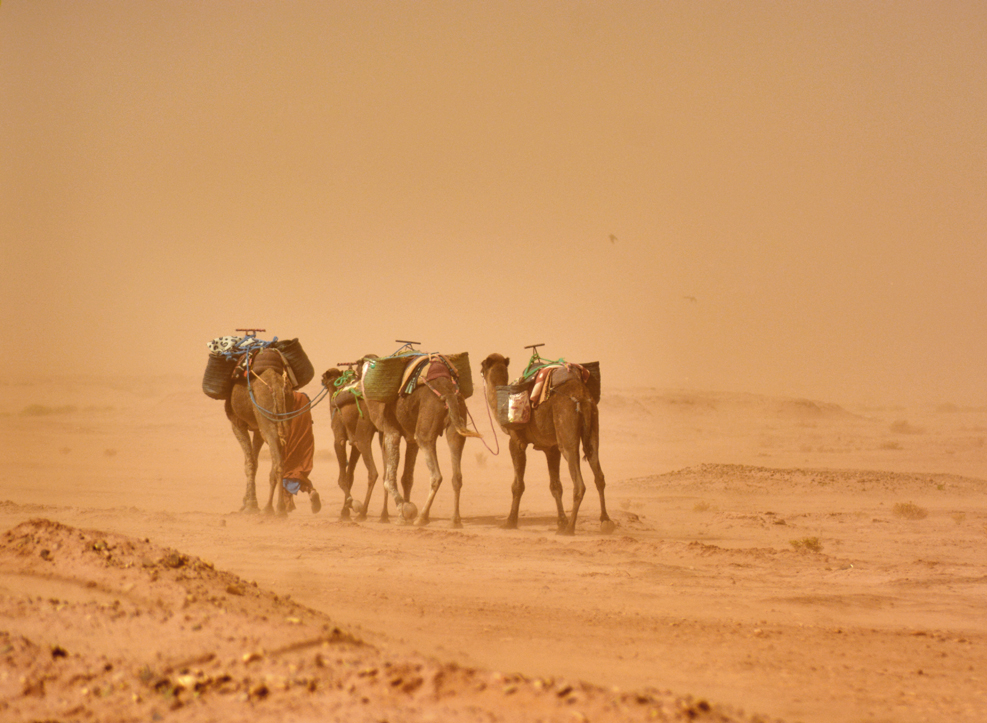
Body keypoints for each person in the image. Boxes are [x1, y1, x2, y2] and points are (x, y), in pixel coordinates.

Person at [281, 390, 321, 513]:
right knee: (298, 470)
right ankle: (311, 491)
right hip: (306, 439)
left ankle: (288, 502)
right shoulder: (303, 398)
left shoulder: (283, 400)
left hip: (291, 441)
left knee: (286, 471)